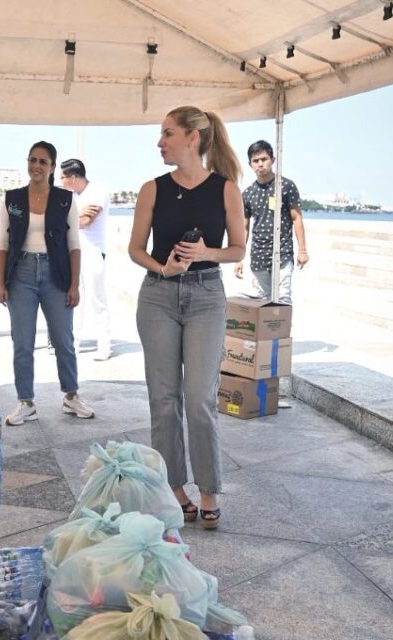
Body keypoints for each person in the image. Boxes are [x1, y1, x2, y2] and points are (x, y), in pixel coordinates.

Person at [128, 106, 246, 529]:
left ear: (192, 138)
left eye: (168, 134)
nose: (160, 142)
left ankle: (208, 490)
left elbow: (238, 248)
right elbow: (136, 249)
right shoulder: (152, 189)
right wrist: (163, 268)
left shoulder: (226, 190)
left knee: (199, 399)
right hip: (158, 296)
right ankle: (175, 489)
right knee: (163, 400)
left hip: (207, 296)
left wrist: (205, 253)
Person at [0, 141, 95, 426]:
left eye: (43, 161)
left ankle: (71, 395)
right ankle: (25, 401)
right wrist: (1, 282)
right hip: (21, 275)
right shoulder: (11, 199)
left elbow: (74, 244)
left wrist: (74, 285)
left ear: (52, 167)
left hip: (56, 274)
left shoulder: (65, 199)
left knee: (63, 339)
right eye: (32, 160)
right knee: (22, 342)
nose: (36, 166)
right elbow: (2, 243)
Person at [234, 140, 309, 304]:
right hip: (258, 256)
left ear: (273, 160)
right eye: (255, 161)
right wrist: (239, 258)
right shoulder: (248, 194)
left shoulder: (286, 186)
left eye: (264, 159)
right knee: (262, 302)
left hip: (282, 253)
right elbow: (244, 227)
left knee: (283, 299)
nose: (260, 164)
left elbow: (296, 217)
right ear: (250, 164)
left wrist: (302, 250)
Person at [59, 158, 112, 360]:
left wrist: (69, 218)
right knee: (73, 299)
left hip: (93, 252)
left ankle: (104, 346)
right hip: (73, 253)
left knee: (97, 299)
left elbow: (85, 221)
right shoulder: (70, 196)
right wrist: (73, 217)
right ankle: (74, 342)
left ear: (73, 177)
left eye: (62, 177)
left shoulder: (97, 191)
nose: (60, 180)